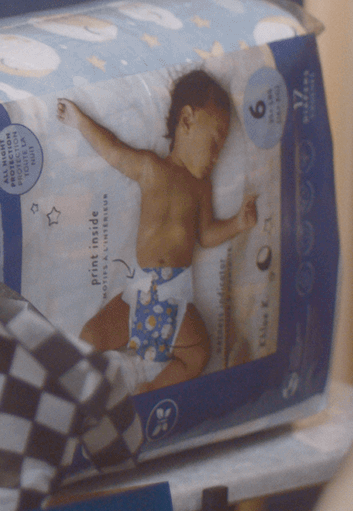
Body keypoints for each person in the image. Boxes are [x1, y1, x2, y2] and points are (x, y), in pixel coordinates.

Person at [56, 69, 257, 391]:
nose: (217, 156)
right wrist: (79, 121)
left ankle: (148, 392)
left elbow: (205, 237)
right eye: (215, 140)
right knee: (90, 337)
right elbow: (112, 150)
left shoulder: (200, 189)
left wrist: (237, 224)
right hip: (136, 295)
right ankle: (84, 396)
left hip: (174, 298)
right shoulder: (151, 168)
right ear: (188, 120)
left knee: (200, 355)